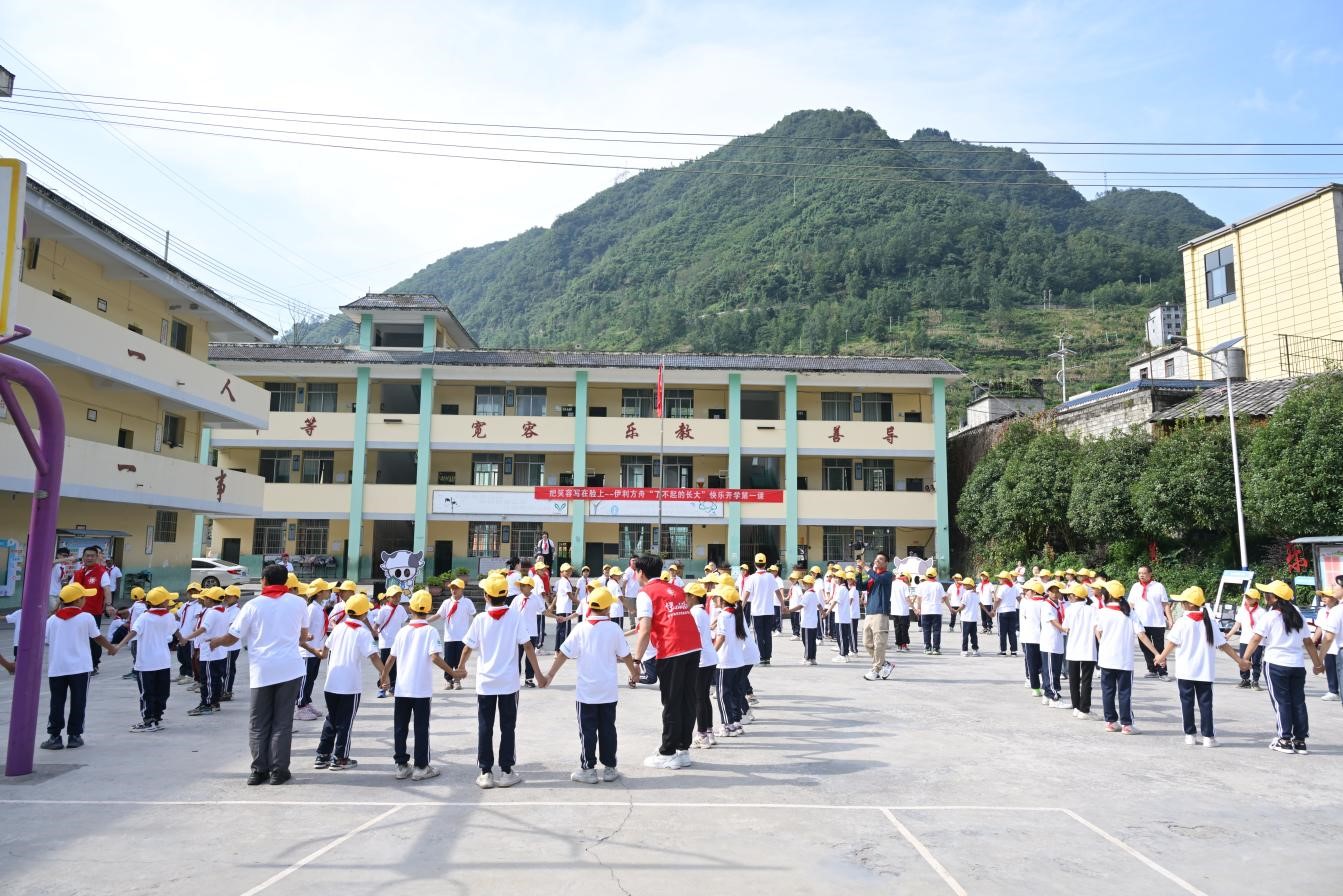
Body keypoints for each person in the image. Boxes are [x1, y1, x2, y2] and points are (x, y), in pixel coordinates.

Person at [209, 564, 311, 786]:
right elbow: (304, 634)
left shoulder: (252, 606)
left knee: (258, 722)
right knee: (282, 722)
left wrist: (216, 641)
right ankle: (279, 771)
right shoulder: (299, 603)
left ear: (264, 580)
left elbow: (232, 637)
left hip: (263, 670)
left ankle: (258, 770)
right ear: (285, 582)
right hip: (290, 668)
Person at [541, 585, 640, 784]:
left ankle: (589, 768)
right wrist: (634, 673)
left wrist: (549, 675)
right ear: (607, 609)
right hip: (608, 691)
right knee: (608, 729)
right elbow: (626, 655)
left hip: (586, 693)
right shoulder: (614, 629)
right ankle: (610, 768)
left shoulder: (581, 628)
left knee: (587, 731)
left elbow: (563, 653)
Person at [458, 573, 544, 789]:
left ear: (486, 596)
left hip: (485, 683)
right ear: (506, 595)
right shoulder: (515, 617)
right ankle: (506, 770)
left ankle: (486, 772)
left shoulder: (480, 619)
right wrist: (538, 673)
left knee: (485, 726)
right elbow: (527, 646)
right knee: (508, 726)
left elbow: (468, 647)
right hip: (509, 683)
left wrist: (460, 667)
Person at [630, 553, 702, 770]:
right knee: (687, 700)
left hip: (672, 649)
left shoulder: (646, 593)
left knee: (671, 702)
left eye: (635, 571)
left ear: (640, 572)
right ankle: (682, 750)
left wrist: (636, 660)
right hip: (692, 646)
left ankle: (668, 751)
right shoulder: (676, 589)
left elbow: (644, 629)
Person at [1154, 586, 1249, 748]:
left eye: (1183, 602)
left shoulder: (1183, 623)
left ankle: (1190, 734)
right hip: (1205, 671)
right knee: (1206, 704)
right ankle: (1208, 737)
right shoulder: (1210, 623)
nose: (1182, 604)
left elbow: (1172, 643)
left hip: (1185, 671)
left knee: (1187, 703)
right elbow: (1224, 645)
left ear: (1190, 604)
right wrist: (1239, 660)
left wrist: (1161, 657)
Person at [1238, 580, 1325, 754]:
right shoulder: (1298, 613)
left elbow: (1255, 639)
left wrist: (1244, 659)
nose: (1265, 597)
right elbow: (1308, 642)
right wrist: (1317, 664)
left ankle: (1284, 740)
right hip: (1297, 665)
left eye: (1267, 594)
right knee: (1298, 702)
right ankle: (1300, 741)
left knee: (1281, 702)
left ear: (1274, 598)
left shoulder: (1270, 616)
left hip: (1276, 664)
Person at [381, 590, 458, 781]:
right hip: (421, 689)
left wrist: (384, 676)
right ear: (429, 609)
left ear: (411, 608)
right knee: (421, 727)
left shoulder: (403, 631)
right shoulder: (430, 631)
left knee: (400, 727)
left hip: (402, 688)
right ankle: (421, 766)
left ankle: (400, 765)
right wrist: (453, 672)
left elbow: (391, 658)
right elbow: (434, 657)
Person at [315, 592, 385, 771]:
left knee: (331, 718)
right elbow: (374, 656)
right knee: (345, 722)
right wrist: (385, 675)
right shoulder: (362, 632)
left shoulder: (338, 628)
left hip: (331, 683)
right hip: (350, 685)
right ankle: (340, 758)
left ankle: (322, 755)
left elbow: (324, 652)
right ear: (364, 614)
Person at [41, 582, 116, 749]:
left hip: (57, 668)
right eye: (83, 598)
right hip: (81, 668)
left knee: (56, 702)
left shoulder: (52, 620)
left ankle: (54, 736)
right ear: (77, 601)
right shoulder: (86, 617)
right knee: (78, 701)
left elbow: (45, 641)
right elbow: (97, 637)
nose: (85, 601)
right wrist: (111, 648)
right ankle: (74, 736)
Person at [1095, 580, 1160, 735]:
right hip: (1124, 660)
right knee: (1124, 693)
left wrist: (1103, 643)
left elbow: (1098, 631)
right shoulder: (1130, 613)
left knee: (1108, 691)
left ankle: (1110, 722)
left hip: (1106, 659)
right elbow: (1142, 636)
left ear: (1108, 595)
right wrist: (1156, 653)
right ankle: (1127, 725)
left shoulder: (1103, 612)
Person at [115, 586, 179, 733]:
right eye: (167, 600)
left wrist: (118, 646)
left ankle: (152, 719)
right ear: (162, 603)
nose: (169, 602)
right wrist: (182, 640)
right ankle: (152, 719)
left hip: (150, 663)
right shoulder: (155, 616)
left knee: (150, 692)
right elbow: (175, 631)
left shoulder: (151, 617)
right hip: (157, 662)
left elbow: (133, 632)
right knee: (159, 692)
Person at [182, 587, 232, 716]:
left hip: (210, 649)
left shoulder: (211, 613)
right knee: (215, 679)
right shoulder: (224, 611)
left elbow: (204, 628)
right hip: (220, 650)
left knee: (208, 679)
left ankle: (207, 704)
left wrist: (187, 637)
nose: (203, 600)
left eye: (205, 598)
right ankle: (214, 703)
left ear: (210, 600)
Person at [712, 585, 750, 737]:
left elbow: (721, 637)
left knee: (723, 694)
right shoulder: (736, 614)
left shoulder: (724, 616)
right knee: (735, 692)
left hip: (725, 661)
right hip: (738, 661)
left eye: (716, 597)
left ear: (722, 600)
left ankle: (727, 725)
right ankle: (736, 723)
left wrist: (712, 652)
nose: (715, 599)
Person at [685, 581, 719, 748]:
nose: (684, 598)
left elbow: (693, 637)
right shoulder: (702, 612)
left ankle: (702, 735)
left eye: (686, 595)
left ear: (693, 597)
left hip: (701, 659)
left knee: (699, 698)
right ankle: (709, 732)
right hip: (708, 657)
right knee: (704, 697)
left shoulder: (694, 613)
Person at [70, 547, 111, 674]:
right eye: (87, 555)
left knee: (94, 638)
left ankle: (94, 664)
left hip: (93, 612)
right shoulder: (78, 573)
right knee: (77, 638)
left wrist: (108, 604)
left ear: (97, 557)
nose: (89, 558)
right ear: (83, 557)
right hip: (76, 612)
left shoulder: (101, 572)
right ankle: (78, 663)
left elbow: (107, 589)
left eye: (92, 556)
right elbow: (70, 590)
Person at [1128, 566, 1172, 681]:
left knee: (1159, 648)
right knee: (1145, 648)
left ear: (1150, 574)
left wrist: (1170, 619)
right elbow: (1131, 604)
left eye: (1144, 573)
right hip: (1141, 623)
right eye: (1139, 573)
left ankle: (1162, 672)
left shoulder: (1158, 586)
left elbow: (1165, 604)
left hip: (1157, 622)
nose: (1141, 575)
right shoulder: (1135, 587)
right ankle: (1152, 669)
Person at [1062, 583, 1099, 719]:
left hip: (1073, 649)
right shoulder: (1092, 609)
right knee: (1086, 680)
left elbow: (1066, 628)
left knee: (1074, 680)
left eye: (1069, 595)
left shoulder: (1070, 610)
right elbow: (1097, 628)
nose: (1068, 597)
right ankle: (1084, 709)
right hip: (1088, 649)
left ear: (1074, 596)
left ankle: (1076, 707)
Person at [435, 577, 475, 690]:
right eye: (452, 588)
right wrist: (425, 621)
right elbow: (438, 615)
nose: (454, 590)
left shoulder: (467, 602)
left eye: (456, 588)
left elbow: (474, 615)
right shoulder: (446, 602)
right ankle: (448, 680)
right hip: (449, 637)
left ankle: (457, 680)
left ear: (462, 589)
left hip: (462, 637)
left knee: (459, 660)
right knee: (448, 660)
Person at [742, 553, 779, 666]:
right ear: (765, 564)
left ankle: (761, 657)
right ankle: (767, 657)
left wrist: (741, 607)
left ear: (755, 564)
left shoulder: (752, 578)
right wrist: (782, 604)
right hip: (769, 611)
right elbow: (777, 591)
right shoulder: (770, 577)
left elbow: (746, 594)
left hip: (757, 611)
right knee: (767, 634)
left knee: (759, 635)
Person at [862, 554, 895, 681]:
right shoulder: (872, 578)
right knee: (866, 643)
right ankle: (885, 663)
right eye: (876, 558)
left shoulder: (887, 575)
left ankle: (875, 670)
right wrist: (859, 573)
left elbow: (879, 579)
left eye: (880, 559)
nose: (877, 560)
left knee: (879, 643)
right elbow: (860, 586)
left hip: (880, 613)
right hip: (869, 612)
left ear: (886, 563)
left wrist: (866, 567)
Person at [1227, 588, 1266, 690]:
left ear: (1256, 599)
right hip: (1244, 640)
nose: (1247, 599)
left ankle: (1255, 681)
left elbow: (1266, 628)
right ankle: (1245, 680)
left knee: (1257, 662)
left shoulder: (1262, 612)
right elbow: (1237, 624)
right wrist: (1228, 635)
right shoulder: (1242, 610)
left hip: (1258, 642)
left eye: (1249, 597)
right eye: (1246, 597)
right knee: (1243, 660)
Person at [512, 575, 545, 688]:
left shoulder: (536, 599)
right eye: (520, 585)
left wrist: (557, 617)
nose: (521, 587)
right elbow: (510, 613)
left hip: (532, 632)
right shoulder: (517, 599)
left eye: (523, 585)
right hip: (518, 632)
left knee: (530, 657)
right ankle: (516, 678)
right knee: (517, 656)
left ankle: (529, 679)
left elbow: (543, 611)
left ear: (530, 587)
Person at [1038, 582, 1067, 708]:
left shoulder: (1058, 605)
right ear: (1048, 592)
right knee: (1050, 670)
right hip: (1049, 641)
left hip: (1057, 641)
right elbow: (1053, 621)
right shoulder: (1046, 605)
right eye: (1052, 591)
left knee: (1055, 670)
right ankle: (1053, 697)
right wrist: (1065, 629)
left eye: (1057, 591)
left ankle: (1047, 694)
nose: (1055, 594)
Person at [373, 585, 405, 697]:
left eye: (399, 596)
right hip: (385, 643)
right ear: (388, 598)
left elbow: (403, 624)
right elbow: (376, 625)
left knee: (396, 666)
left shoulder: (401, 609)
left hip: (397, 643)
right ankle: (382, 687)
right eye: (394, 596)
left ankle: (393, 687)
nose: (397, 598)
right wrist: (373, 637)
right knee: (384, 667)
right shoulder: (383, 610)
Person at [1313, 586, 1340, 701]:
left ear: (1334, 598)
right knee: (1330, 667)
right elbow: (1320, 626)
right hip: (1327, 645)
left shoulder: (1339, 610)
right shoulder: (1322, 611)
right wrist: (1314, 639)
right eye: (1322, 596)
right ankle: (1333, 690)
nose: (1323, 598)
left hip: (1338, 644)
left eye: (1326, 596)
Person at [790, 574, 821, 665]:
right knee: (812, 641)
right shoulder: (814, 593)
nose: (803, 585)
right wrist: (823, 613)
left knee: (806, 640)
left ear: (810, 584)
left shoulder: (807, 594)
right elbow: (819, 605)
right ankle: (812, 658)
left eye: (805, 583)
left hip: (807, 622)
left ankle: (807, 658)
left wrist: (790, 610)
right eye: (803, 583)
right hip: (813, 622)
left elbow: (801, 605)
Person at [916, 568, 946, 655]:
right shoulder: (938, 585)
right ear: (935, 575)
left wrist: (918, 608)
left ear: (926, 575)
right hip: (936, 610)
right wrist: (950, 607)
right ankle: (936, 648)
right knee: (936, 630)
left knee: (926, 630)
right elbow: (944, 597)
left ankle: (927, 648)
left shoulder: (922, 585)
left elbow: (919, 598)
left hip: (925, 610)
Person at [993, 571, 1020, 656]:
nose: (999, 579)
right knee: (1012, 632)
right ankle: (1014, 651)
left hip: (1003, 611)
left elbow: (998, 600)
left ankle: (1003, 650)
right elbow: (1019, 598)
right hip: (1012, 611)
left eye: (1000, 578)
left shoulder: (1002, 588)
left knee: (1002, 632)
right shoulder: (1014, 587)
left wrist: (993, 610)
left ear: (1005, 579)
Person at [958, 576, 981, 657]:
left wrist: (956, 610)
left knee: (965, 635)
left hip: (965, 619)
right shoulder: (976, 594)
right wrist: (988, 612)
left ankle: (964, 651)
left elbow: (963, 605)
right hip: (973, 619)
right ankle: (975, 650)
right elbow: (980, 603)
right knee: (973, 635)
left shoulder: (965, 594)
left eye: (964, 584)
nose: (963, 585)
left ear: (968, 585)